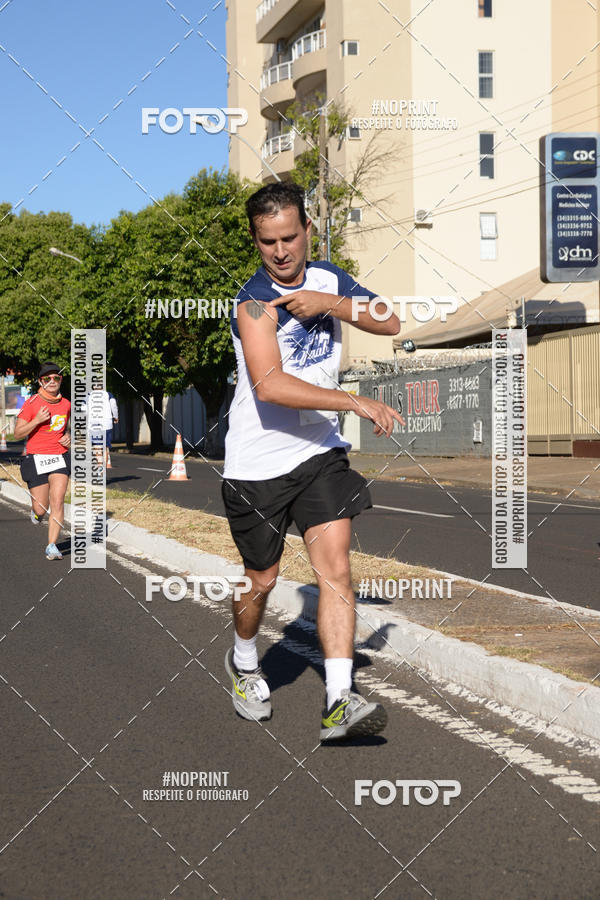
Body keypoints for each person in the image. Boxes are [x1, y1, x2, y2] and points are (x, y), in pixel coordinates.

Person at [221, 182, 404, 741]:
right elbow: (271, 385)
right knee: (263, 581)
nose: (280, 252)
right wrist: (353, 399)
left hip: (320, 455)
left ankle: (339, 699)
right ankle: (244, 660)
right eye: (268, 241)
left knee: (336, 568)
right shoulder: (252, 303)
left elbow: (389, 320)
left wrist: (331, 304)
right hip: (258, 467)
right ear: (256, 241)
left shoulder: (329, 278)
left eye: (290, 237)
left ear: (307, 231)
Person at [14, 362, 71, 560]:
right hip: (36, 457)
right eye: (47, 379)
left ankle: (52, 545)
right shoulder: (32, 403)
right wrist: (36, 420)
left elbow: (65, 428)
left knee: (58, 500)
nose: (52, 381)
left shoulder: (66, 404)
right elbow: (17, 433)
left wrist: (68, 436)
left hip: (59, 456)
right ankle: (36, 513)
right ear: (41, 381)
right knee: (41, 507)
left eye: (56, 378)